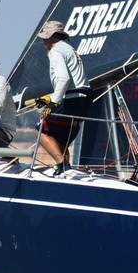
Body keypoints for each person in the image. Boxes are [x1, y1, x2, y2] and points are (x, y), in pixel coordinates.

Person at [34, 21, 89, 169]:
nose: (43, 40)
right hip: (83, 98)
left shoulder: (56, 51)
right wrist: (50, 97)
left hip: (71, 98)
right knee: (61, 139)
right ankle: (66, 169)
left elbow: (63, 79)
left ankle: (61, 165)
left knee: (40, 130)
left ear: (51, 37)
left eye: (45, 37)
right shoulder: (69, 48)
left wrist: (53, 103)